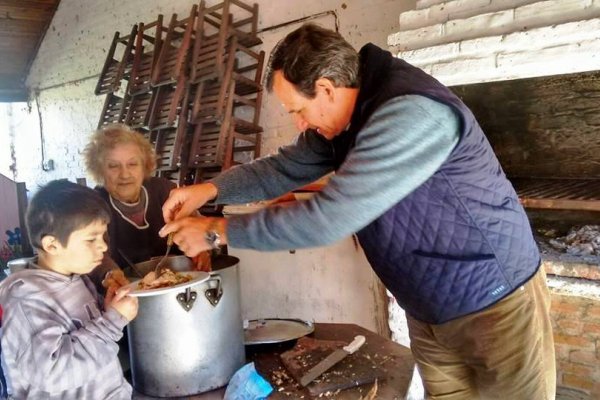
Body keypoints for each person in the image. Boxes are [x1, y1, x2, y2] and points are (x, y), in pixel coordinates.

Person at [159, 24, 555, 399]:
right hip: (427, 307)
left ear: (326, 88)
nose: (299, 123)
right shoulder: (344, 122)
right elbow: (282, 169)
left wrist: (215, 230)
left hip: (494, 301)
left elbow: (329, 218)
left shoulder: (409, 114)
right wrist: (209, 189)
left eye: (297, 110)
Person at [0, 179, 138, 399]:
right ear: (52, 245)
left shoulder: (75, 278)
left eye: (102, 236)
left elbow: (89, 341)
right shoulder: (25, 300)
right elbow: (54, 374)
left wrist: (107, 311)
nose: (103, 246)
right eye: (91, 239)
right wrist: (112, 323)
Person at [83, 124, 210, 288]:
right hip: (127, 293)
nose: (125, 174)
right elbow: (92, 251)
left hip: (183, 287)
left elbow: (201, 227)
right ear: (99, 171)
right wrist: (108, 273)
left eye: (133, 164)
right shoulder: (93, 205)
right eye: (113, 166)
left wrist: (203, 249)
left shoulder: (166, 191)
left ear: (145, 166)